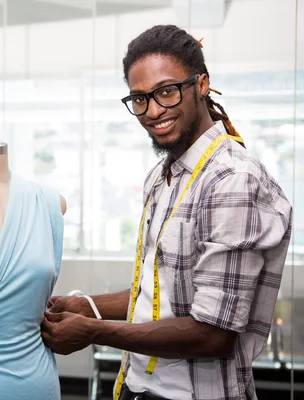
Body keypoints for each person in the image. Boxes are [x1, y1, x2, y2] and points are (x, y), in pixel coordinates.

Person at [41, 25, 292, 400]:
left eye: (166, 92)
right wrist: (88, 307)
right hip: (137, 388)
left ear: (201, 85)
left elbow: (214, 334)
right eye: (140, 98)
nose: (153, 110)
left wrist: (93, 332)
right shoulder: (162, 177)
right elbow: (162, 294)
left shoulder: (232, 181)